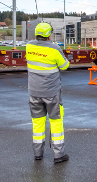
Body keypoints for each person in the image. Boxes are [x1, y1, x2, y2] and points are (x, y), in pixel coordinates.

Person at [26, 22, 70, 163]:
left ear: (36, 33)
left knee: (37, 124)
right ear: (49, 35)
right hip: (51, 92)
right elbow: (65, 66)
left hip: (34, 92)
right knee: (56, 123)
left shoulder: (29, 46)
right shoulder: (54, 48)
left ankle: (38, 153)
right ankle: (58, 155)